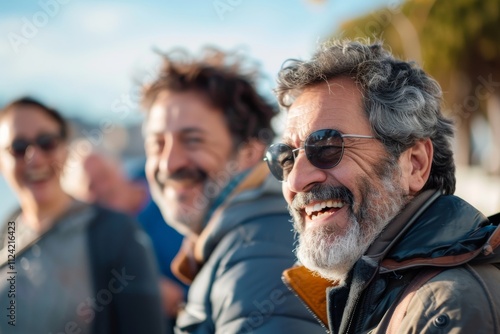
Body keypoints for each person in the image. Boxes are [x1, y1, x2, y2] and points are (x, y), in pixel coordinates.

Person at [264, 39, 500, 333]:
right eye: (285, 158)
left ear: (414, 164)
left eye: (326, 146)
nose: (297, 181)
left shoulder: (447, 307)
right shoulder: (383, 295)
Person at [141, 47, 325, 333]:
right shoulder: (238, 241)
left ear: (249, 154)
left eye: (192, 140)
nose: (169, 163)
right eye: (157, 144)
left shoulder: (258, 253)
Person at [0, 97, 165, 333]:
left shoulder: (116, 232)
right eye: (18, 148)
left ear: (65, 151)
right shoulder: (7, 230)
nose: (33, 158)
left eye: (46, 142)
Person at [62, 145, 187, 333]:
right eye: (91, 186)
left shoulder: (167, 183)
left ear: (119, 168)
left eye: (104, 176)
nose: (103, 188)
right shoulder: (99, 244)